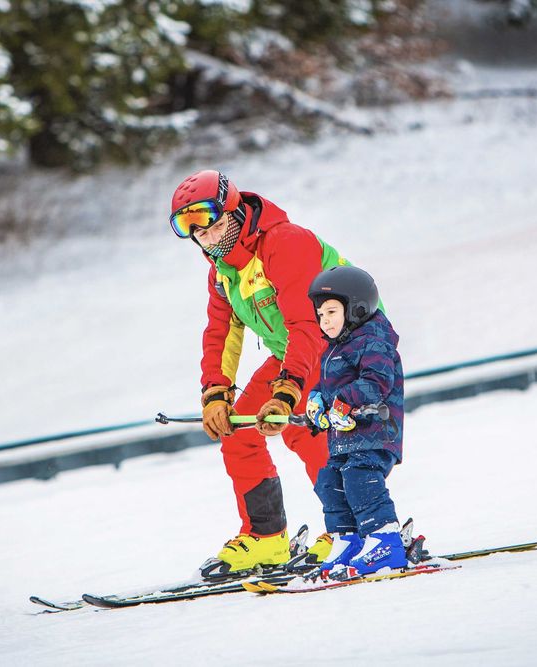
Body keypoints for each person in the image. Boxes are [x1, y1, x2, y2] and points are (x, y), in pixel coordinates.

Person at [169, 169, 351, 576]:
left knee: (303, 428)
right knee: (239, 431)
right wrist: (215, 393)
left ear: (233, 212)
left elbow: (309, 324)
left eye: (214, 227)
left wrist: (287, 391)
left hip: (347, 346)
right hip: (294, 353)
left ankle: (346, 529)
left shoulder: (285, 243)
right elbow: (220, 333)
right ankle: (267, 538)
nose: (208, 239)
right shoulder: (223, 273)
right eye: (196, 233)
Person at [305, 265, 407, 575]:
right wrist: (316, 403)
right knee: (331, 482)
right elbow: (327, 387)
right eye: (321, 314)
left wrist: (343, 401)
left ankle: (385, 538)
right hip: (344, 438)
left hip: (376, 431)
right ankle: (346, 540)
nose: (325, 320)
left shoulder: (373, 339)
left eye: (332, 311)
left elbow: (377, 382)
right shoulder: (333, 350)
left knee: (360, 478)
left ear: (357, 307)